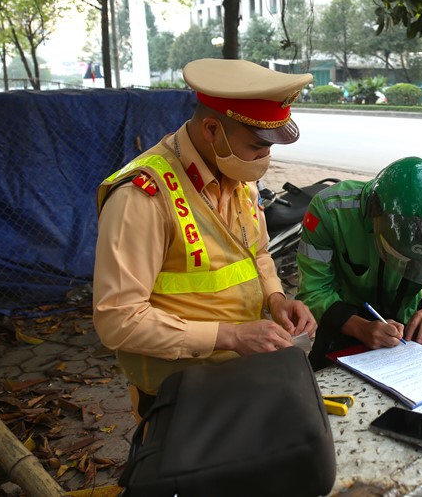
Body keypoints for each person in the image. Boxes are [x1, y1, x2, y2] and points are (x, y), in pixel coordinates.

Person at [93, 58, 318, 418]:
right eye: (257, 147)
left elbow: (256, 251)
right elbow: (118, 320)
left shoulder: (237, 173)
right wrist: (231, 336)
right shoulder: (143, 196)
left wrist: (276, 299)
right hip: (179, 391)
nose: (265, 159)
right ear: (212, 129)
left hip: (241, 374)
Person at [295, 156, 422, 370]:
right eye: (400, 256)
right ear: (376, 217)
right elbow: (313, 291)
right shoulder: (331, 211)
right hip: (340, 330)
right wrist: (360, 328)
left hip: (405, 339)